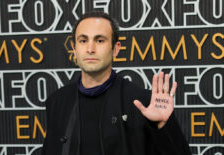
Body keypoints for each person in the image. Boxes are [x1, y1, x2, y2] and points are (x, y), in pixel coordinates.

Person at [42, 11, 191, 155]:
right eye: (83, 40)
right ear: (74, 49)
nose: (90, 49)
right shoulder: (57, 102)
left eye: (99, 40)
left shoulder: (143, 102)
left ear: (115, 49)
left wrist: (164, 127)